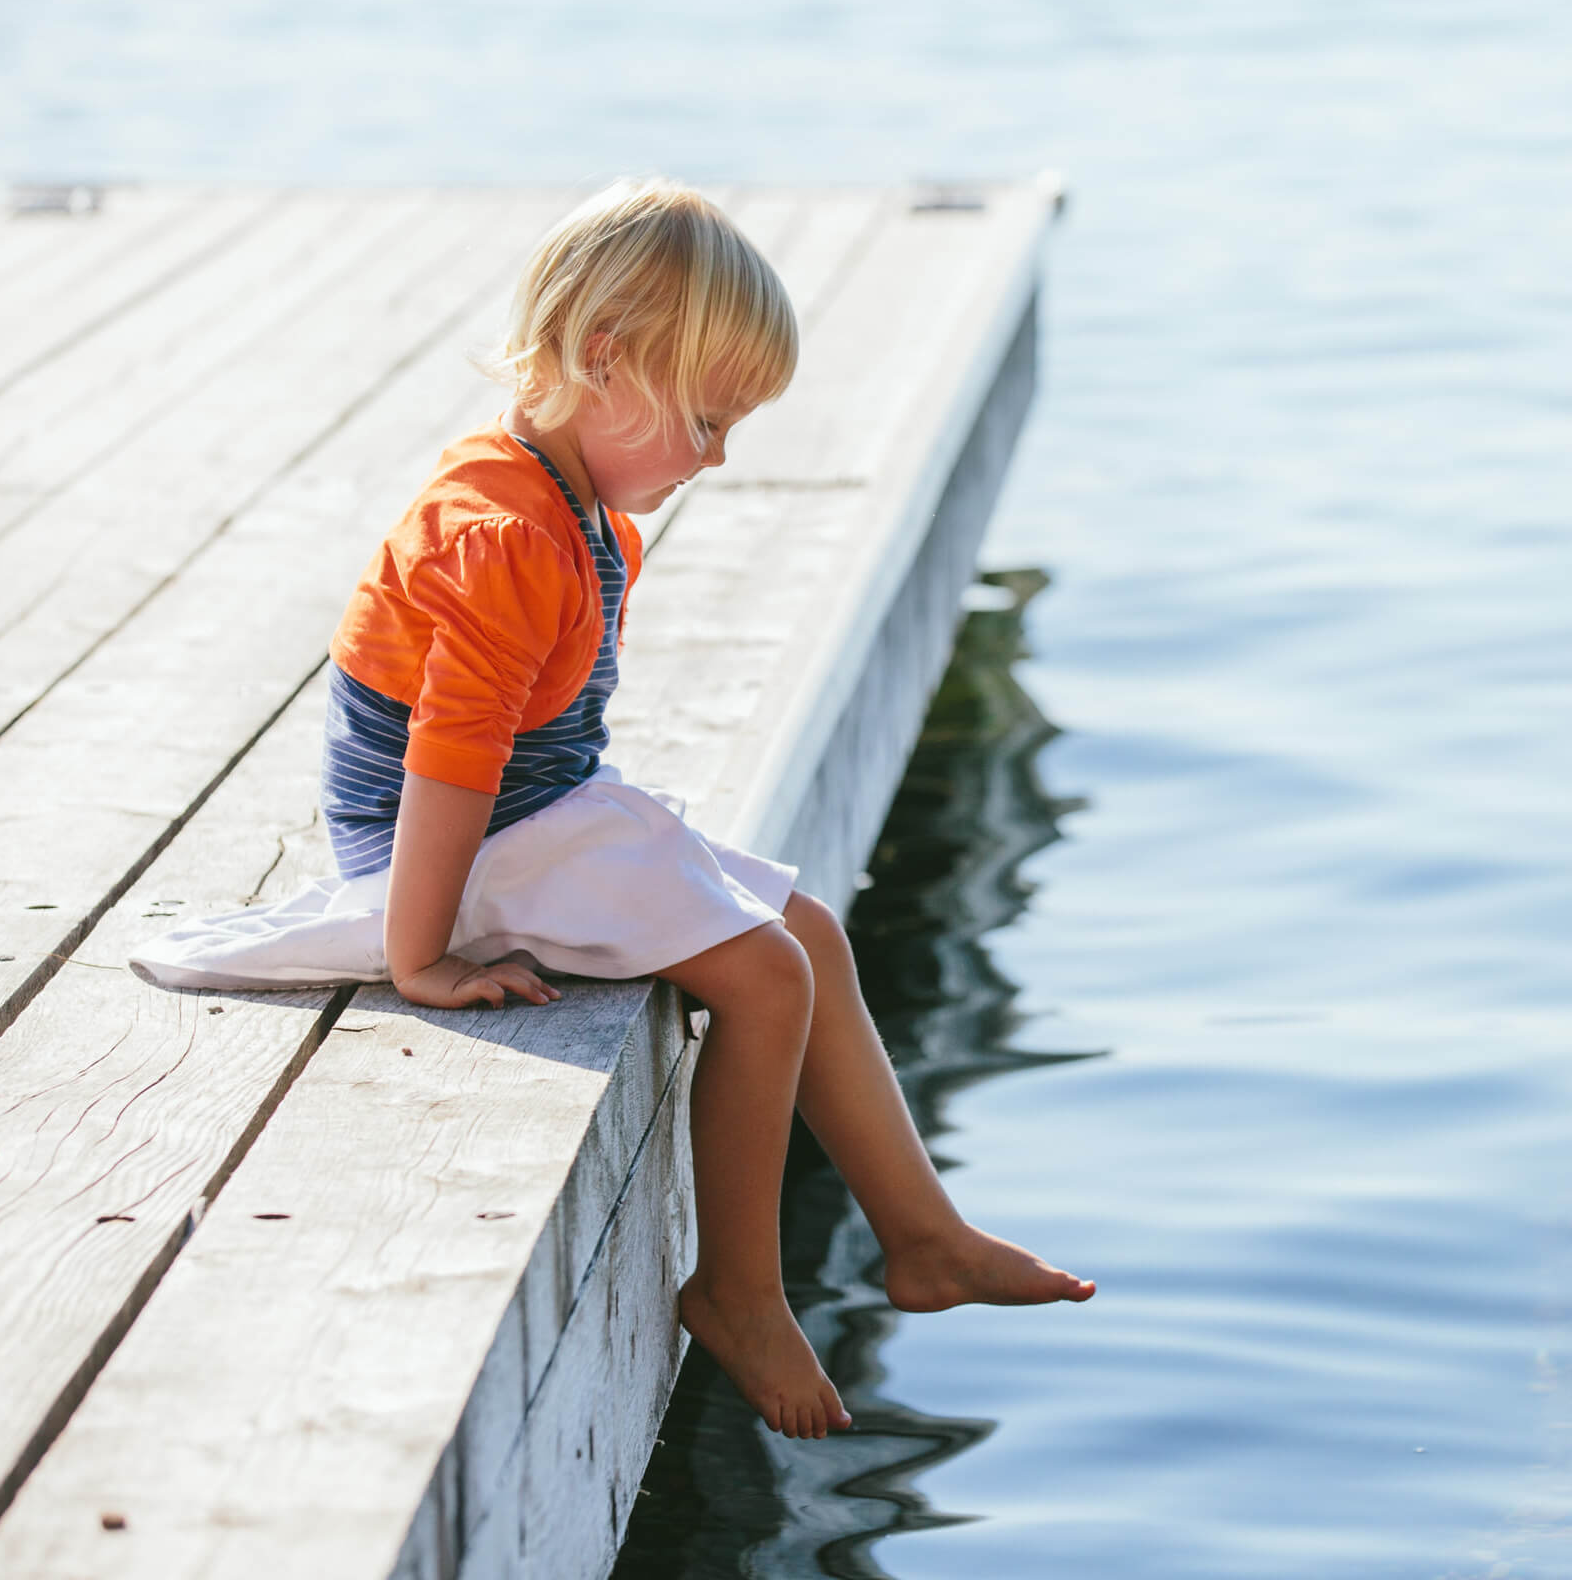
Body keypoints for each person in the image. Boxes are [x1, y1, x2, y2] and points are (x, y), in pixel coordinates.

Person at [131, 178, 1092, 1441]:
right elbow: (447, 766)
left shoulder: (573, 502)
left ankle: (925, 1237)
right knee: (764, 979)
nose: (717, 456)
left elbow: (523, 747)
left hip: (534, 807)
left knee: (810, 927)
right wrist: (418, 953)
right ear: (602, 361)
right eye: (705, 417)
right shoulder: (506, 532)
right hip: (463, 838)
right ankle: (739, 1293)